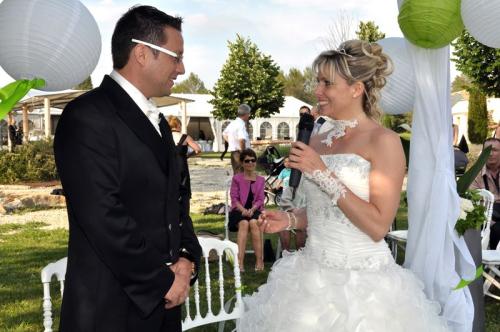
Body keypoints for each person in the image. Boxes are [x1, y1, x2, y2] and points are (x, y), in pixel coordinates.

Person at [238, 40, 448, 331]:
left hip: (365, 286)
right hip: (310, 280)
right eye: (317, 81)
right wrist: (289, 219)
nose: (317, 91)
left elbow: (377, 225)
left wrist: (322, 172)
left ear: (356, 88)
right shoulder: (317, 138)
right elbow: (326, 211)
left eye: (327, 83)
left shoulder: (383, 141)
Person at [53, 6, 201, 331]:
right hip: (110, 307)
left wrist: (188, 257)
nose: (182, 68)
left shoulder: (159, 122)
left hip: (164, 304)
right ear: (142, 53)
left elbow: (177, 201)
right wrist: (161, 280)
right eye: (176, 57)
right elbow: (103, 216)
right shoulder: (87, 117)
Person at [228, 148, 266, 272]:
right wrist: (243, 210)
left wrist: (253, 209)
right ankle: (240, 262)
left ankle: (259, 260)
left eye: (253, 160)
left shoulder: (261, 180)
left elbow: (261, 199)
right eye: (247, 161)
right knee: (244, 223)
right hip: (238, 210)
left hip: (255, 210)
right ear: (242, 163)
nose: (250, 163)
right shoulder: (237, 179)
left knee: (254, 223)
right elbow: (234, 198)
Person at [470, 137, 500, 250]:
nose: (491, 153)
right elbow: (471, 196)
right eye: (487, 150)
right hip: (484, 214)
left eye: (495, 150)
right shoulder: (475, 173)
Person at [167, 115, 201, 206]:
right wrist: (188, 155)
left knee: (171, 189)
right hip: (182, 164)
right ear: (178, 125)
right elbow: (198, 149)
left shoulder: (166, 137)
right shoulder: (185, 137)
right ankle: (185, 214)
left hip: (169, 165)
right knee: (184, 190)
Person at [276, 157, 306, 251]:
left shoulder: (313, 181)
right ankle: (286, 254)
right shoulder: (294, 179)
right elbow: (285, 199)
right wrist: (293, 210)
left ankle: (300, 254)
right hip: (291, 210)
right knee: (284, 223)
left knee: (301, 226)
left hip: (307, 213)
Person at [222, 104, 251, 173]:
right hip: (240, 153)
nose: (249, 115)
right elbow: (241, 140)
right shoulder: (241, 125)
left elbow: (224, 134)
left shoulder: (233, 123)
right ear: (246, 114)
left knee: (237, 174)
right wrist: (243, 153)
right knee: (242, 175)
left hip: (235, 153)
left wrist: (232, 142)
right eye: (249, 113)